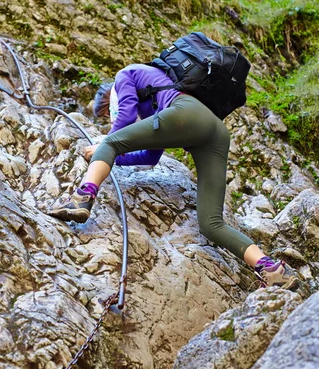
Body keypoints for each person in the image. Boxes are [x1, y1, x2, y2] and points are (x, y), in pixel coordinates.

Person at [48, 63, 298, 289]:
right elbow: (151, 156)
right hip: (214, 131)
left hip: (187, 115)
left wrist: (106, 144)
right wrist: (111, 153)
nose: (108, 118)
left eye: (105, 114)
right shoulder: (156, 99)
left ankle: (82, 198)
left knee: (111, 142)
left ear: (108, 99)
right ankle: (273, 269)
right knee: (211, 224)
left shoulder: (124, 75)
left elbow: (123, 118)